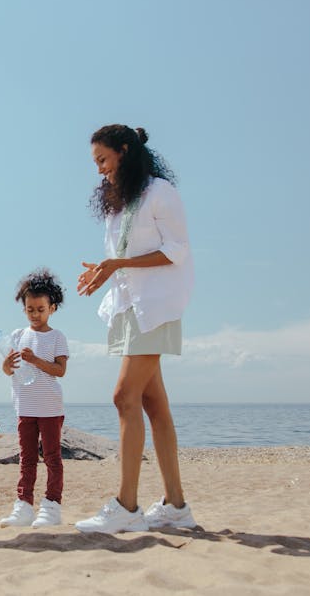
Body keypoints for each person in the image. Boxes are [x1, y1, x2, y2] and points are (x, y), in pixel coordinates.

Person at [74, 124, 197, 534]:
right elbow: (123, 256)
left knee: (123, 396)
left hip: (157, 307)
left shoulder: (161, 192)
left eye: (103, 160)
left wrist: (118, 266)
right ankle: (176, 507)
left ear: (125, 152)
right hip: (130, 308)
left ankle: (127, 506)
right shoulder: (120, 203)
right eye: (95, 163)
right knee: (153, 406)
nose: (99, 170)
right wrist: (105, 270)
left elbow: (176, 251)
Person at [0, 268, 70, 529]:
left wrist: (36, 360)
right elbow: (9, 371)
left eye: (40, 309)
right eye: (30, 309)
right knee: (26, 459)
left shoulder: (56, 337)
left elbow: (60, 370)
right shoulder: (18, 336)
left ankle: (51, 507)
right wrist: (7, 364)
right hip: (24, 407)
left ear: (52, 308)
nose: (35, 314)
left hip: (50, 407)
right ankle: (24, 506)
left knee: (52, 457)